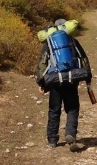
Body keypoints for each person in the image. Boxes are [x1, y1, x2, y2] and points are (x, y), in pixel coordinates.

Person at [35, 18, 92, 150]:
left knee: (54, 110)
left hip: (55, 81)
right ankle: (70, 133)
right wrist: (88, 76)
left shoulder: (50, 44)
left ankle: (52, 140)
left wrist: (41, 83)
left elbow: (42, 63)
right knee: (72, 108)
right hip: (72, 80)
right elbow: (83, 59)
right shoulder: (73, 41)